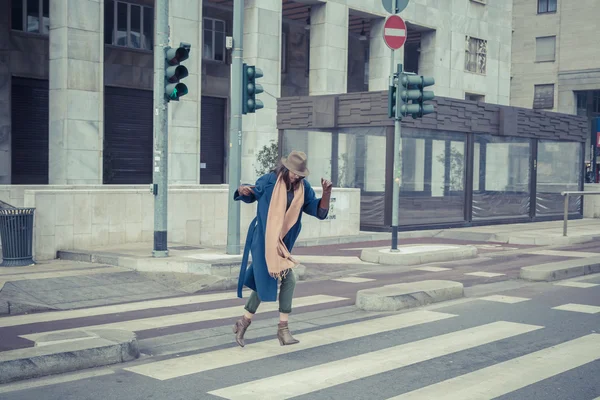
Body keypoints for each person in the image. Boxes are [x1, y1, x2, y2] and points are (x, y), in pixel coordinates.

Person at [232, 150, 332, 347]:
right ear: (285, 168)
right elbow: (251, 194)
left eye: (299, 174)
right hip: (263, 239)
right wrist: (243, 191)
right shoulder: (269, 181)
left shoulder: (303, 189)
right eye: (293, 172)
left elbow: (319, 212)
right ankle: (283, 329)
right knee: (287, 278)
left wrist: (327, 193)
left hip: (283, 243)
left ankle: (242, 322)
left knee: (266, 280)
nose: (295, 176)